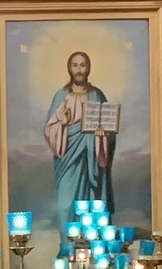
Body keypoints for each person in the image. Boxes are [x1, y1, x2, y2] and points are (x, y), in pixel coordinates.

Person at [42, 51, 114, 253]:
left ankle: (91, 249)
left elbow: (107, 125)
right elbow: (49, 129)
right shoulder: (61, 96)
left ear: (88, 68)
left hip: (91, 156)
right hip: (68, 157)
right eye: (75, 65)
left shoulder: (97, 95)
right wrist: (63, 124)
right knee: (65, 205)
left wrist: (101, 135)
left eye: (83, 65)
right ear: (69, 68)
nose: (79, 70)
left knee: (91, 202)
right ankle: (67, 250)